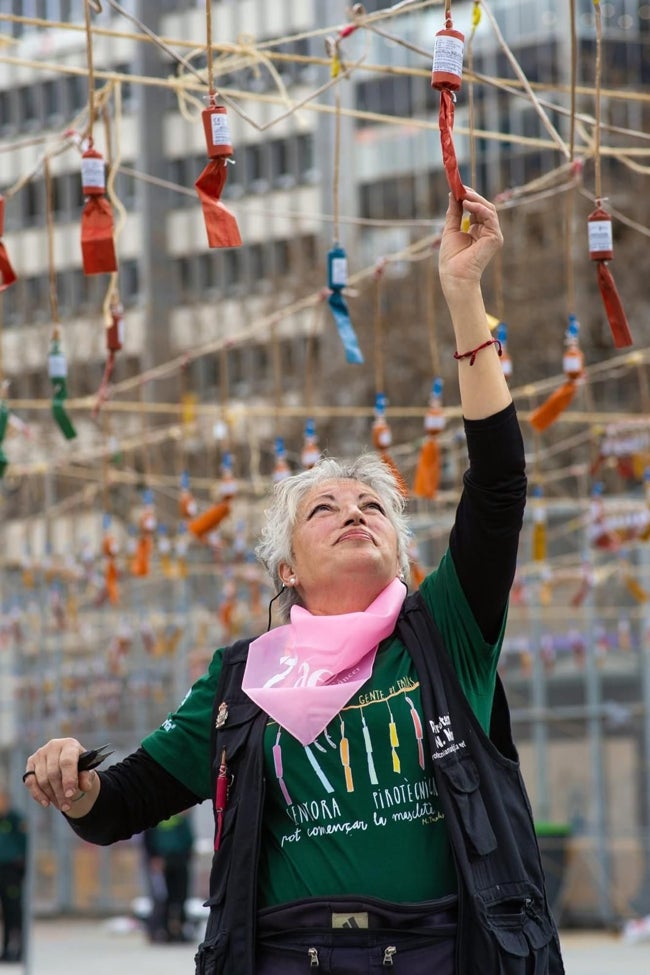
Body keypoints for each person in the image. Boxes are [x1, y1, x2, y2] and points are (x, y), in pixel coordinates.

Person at [22, 190, 565, 974]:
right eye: (325, 508)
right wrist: (74, 785)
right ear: (286, 567)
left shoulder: (445, 630)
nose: (354, 512)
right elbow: (129, 799)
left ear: (401, 550)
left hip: (438, 953)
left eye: (372, 504)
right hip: (284, 956)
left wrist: (463, 294)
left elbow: (501, 485)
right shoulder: (244, 679)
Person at [142, 811, 195, 943]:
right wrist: (153, 857)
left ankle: (179, 930)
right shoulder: (156, 813)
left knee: (180, 897)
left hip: (179, 861)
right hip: (161, 862)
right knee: (162, 898)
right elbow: (148, 837)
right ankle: (161, 930)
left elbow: (188, 839)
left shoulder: (181, 818)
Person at [0, 779, 27, 964]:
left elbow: (24, 845)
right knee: (5, 913)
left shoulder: (16, 819)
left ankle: (18, 949)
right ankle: (6, 948)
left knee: (14, 911)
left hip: (11, 872)